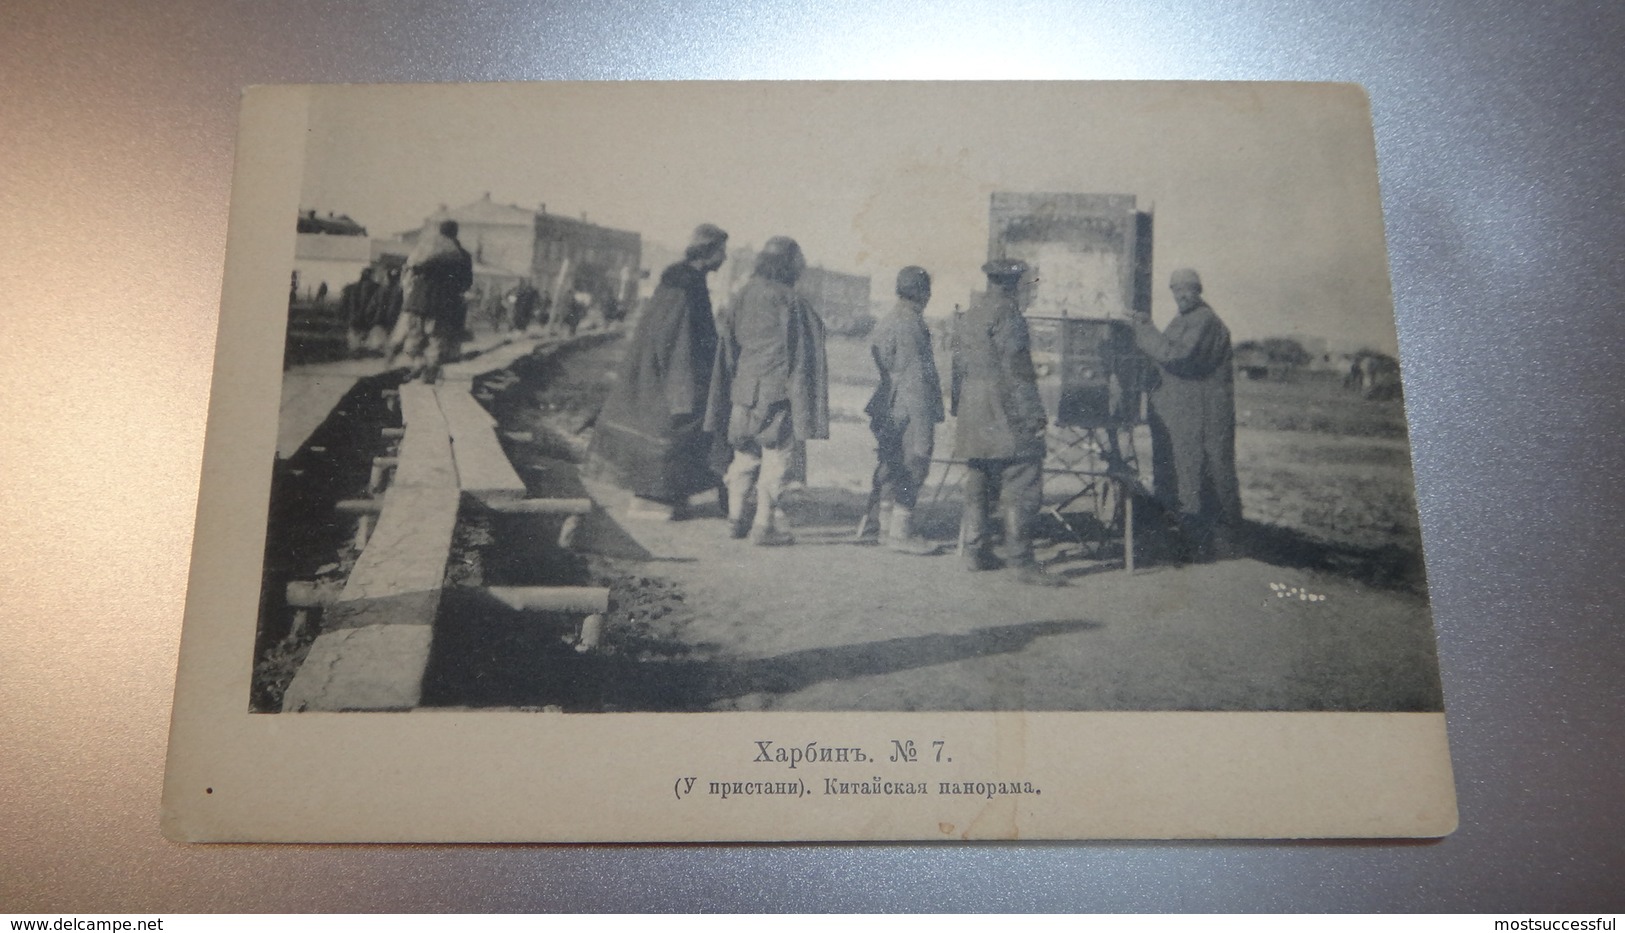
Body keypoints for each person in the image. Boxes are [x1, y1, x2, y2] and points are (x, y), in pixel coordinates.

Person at [586, 224, 730, 520]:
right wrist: (683, 388)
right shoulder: (685, 285)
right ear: (709, 252)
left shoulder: (687, 281)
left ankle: (669, 495)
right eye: (722, 251)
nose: (725, 257)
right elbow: (677, 338)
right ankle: (653, 499)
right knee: (672, 427)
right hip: (671, 376)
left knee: (684, 430)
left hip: (664, 372)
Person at [704, 236, 829, 546]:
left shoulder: (743, 294)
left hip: (743, 392)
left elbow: (728, 348)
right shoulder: (790, 301)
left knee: (744, 455)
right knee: (775, 460)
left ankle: (735, 519)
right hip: (777, 397)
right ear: (790, 265)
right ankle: (763, 526)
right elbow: (808, 345)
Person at [951, 259, 1064, 586]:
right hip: (1003, 408)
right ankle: (1022, 562)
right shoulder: (1009, 314)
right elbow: (1018, 370)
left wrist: (960, 409)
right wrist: (1034, 415)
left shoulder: (970, 314)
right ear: (1014, 284)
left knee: (979, 478)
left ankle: (975, 551)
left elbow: (957, 367)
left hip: (973, 412)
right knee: (1023, 474)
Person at [1128, 267, 1242, 561]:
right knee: (1182, 472)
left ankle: (1216, 543)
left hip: (1200, 414)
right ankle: (1188, 538)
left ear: (1198, 290)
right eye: (1176, 290)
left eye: (1187, 289)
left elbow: (1176, 355)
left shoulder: (1203, 321)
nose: (1181, 295)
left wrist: (1144, 329)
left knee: (1202, 472)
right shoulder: (1185, 320)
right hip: (1182, 413)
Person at [858, 265, 943, 554]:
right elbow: (916, 378)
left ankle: (883, 528)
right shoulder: (911, 324)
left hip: (889, 404)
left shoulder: (890, 318)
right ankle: (900, 533)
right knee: (914, 464)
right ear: (923, 293)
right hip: (909, 407)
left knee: (890, 465)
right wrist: (923, 433)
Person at [389, 220, 473, 382]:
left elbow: (409, 274)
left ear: (440, 232)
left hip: (416, 302)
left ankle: (418, 363)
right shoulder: (462, 255)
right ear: (455, 233)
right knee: (436, 340)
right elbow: (466, 283)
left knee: (414, 337)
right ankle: (429, 372)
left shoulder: (424, 250)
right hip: (443, 304)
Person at [340, 267, 381, 357]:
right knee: (364, 335)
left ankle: (355, 352)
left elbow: (344, 303)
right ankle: (360, 352)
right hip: (368, 317)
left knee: (354, 336)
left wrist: (344, 315)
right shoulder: (377, 287)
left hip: (354, 317)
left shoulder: (350, 288)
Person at [363, 266, 404, 353]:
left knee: (378, 344)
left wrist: (370, 317)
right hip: (392, 320)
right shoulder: (400, 291)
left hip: (379, 319)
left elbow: (372, 305)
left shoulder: (381, 290)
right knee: (389, 343)